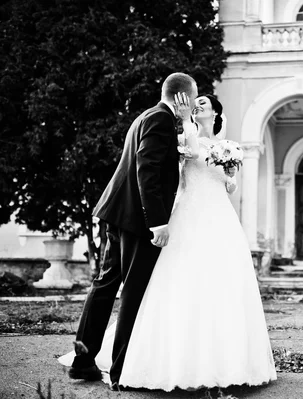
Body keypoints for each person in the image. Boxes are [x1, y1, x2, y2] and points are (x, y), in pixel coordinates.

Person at [60, 94, 277, 392]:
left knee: (219, 283)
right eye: (195, 100)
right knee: (159, 283)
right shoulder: (181, 132)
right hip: (185, 215)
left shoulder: (225, 146)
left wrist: (229, 175)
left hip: (218, 219)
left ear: (216, 113)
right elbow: (163, 173)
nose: (198, 105)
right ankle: (137, 362)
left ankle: (220, 360)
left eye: (204, 103)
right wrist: (178, 166)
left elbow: (229, 185)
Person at [65, 72, 198, 386]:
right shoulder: (161, 120)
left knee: (106, 284)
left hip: (119, 213)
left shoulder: (147, 116)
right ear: (183, 96)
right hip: (137, 221)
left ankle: (83, 361)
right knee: (133, 292)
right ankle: (121, 371)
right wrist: (158, 222)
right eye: (193, 97)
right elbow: (147, 170)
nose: (194, 103)